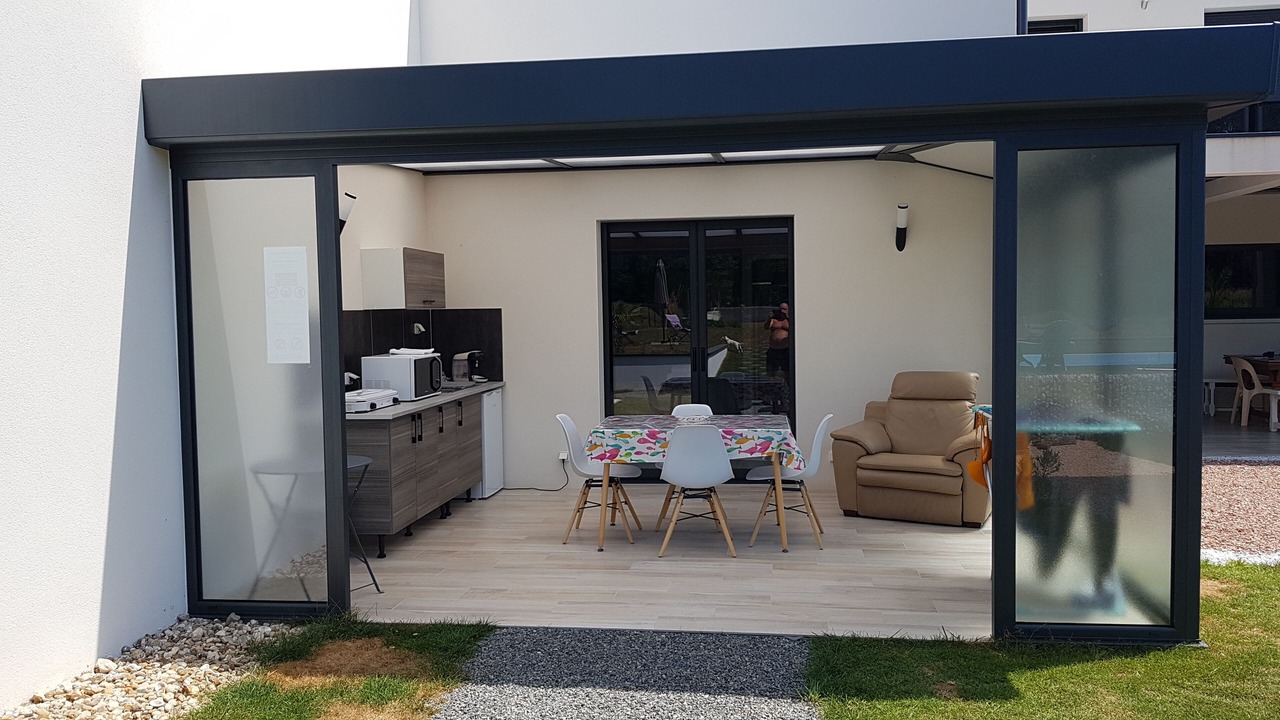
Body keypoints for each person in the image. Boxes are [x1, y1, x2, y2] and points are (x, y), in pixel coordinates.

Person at [765, 301, 790, 379]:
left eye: (784, 309)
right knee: (770, 372)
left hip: (786, 350)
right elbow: (766, 327)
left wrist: (788, 317)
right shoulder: (774, 320)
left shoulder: (789, 321)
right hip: (773, 350)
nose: (782, 310)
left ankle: (789, 388)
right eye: (780, 309)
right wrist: (769, 319)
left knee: (788, 373)